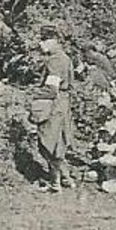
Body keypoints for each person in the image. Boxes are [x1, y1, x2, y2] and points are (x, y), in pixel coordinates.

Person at [33, 25, 77, 191]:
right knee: (57, 142)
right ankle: (65, 179)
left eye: (44, 39)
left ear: (55, 41)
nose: (41, 43)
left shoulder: (56, 59)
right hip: (62, 102)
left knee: (49, 141)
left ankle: (55, 182)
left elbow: (52, 88)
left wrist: (34, 95)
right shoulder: (62, 57)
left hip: (54, 103)